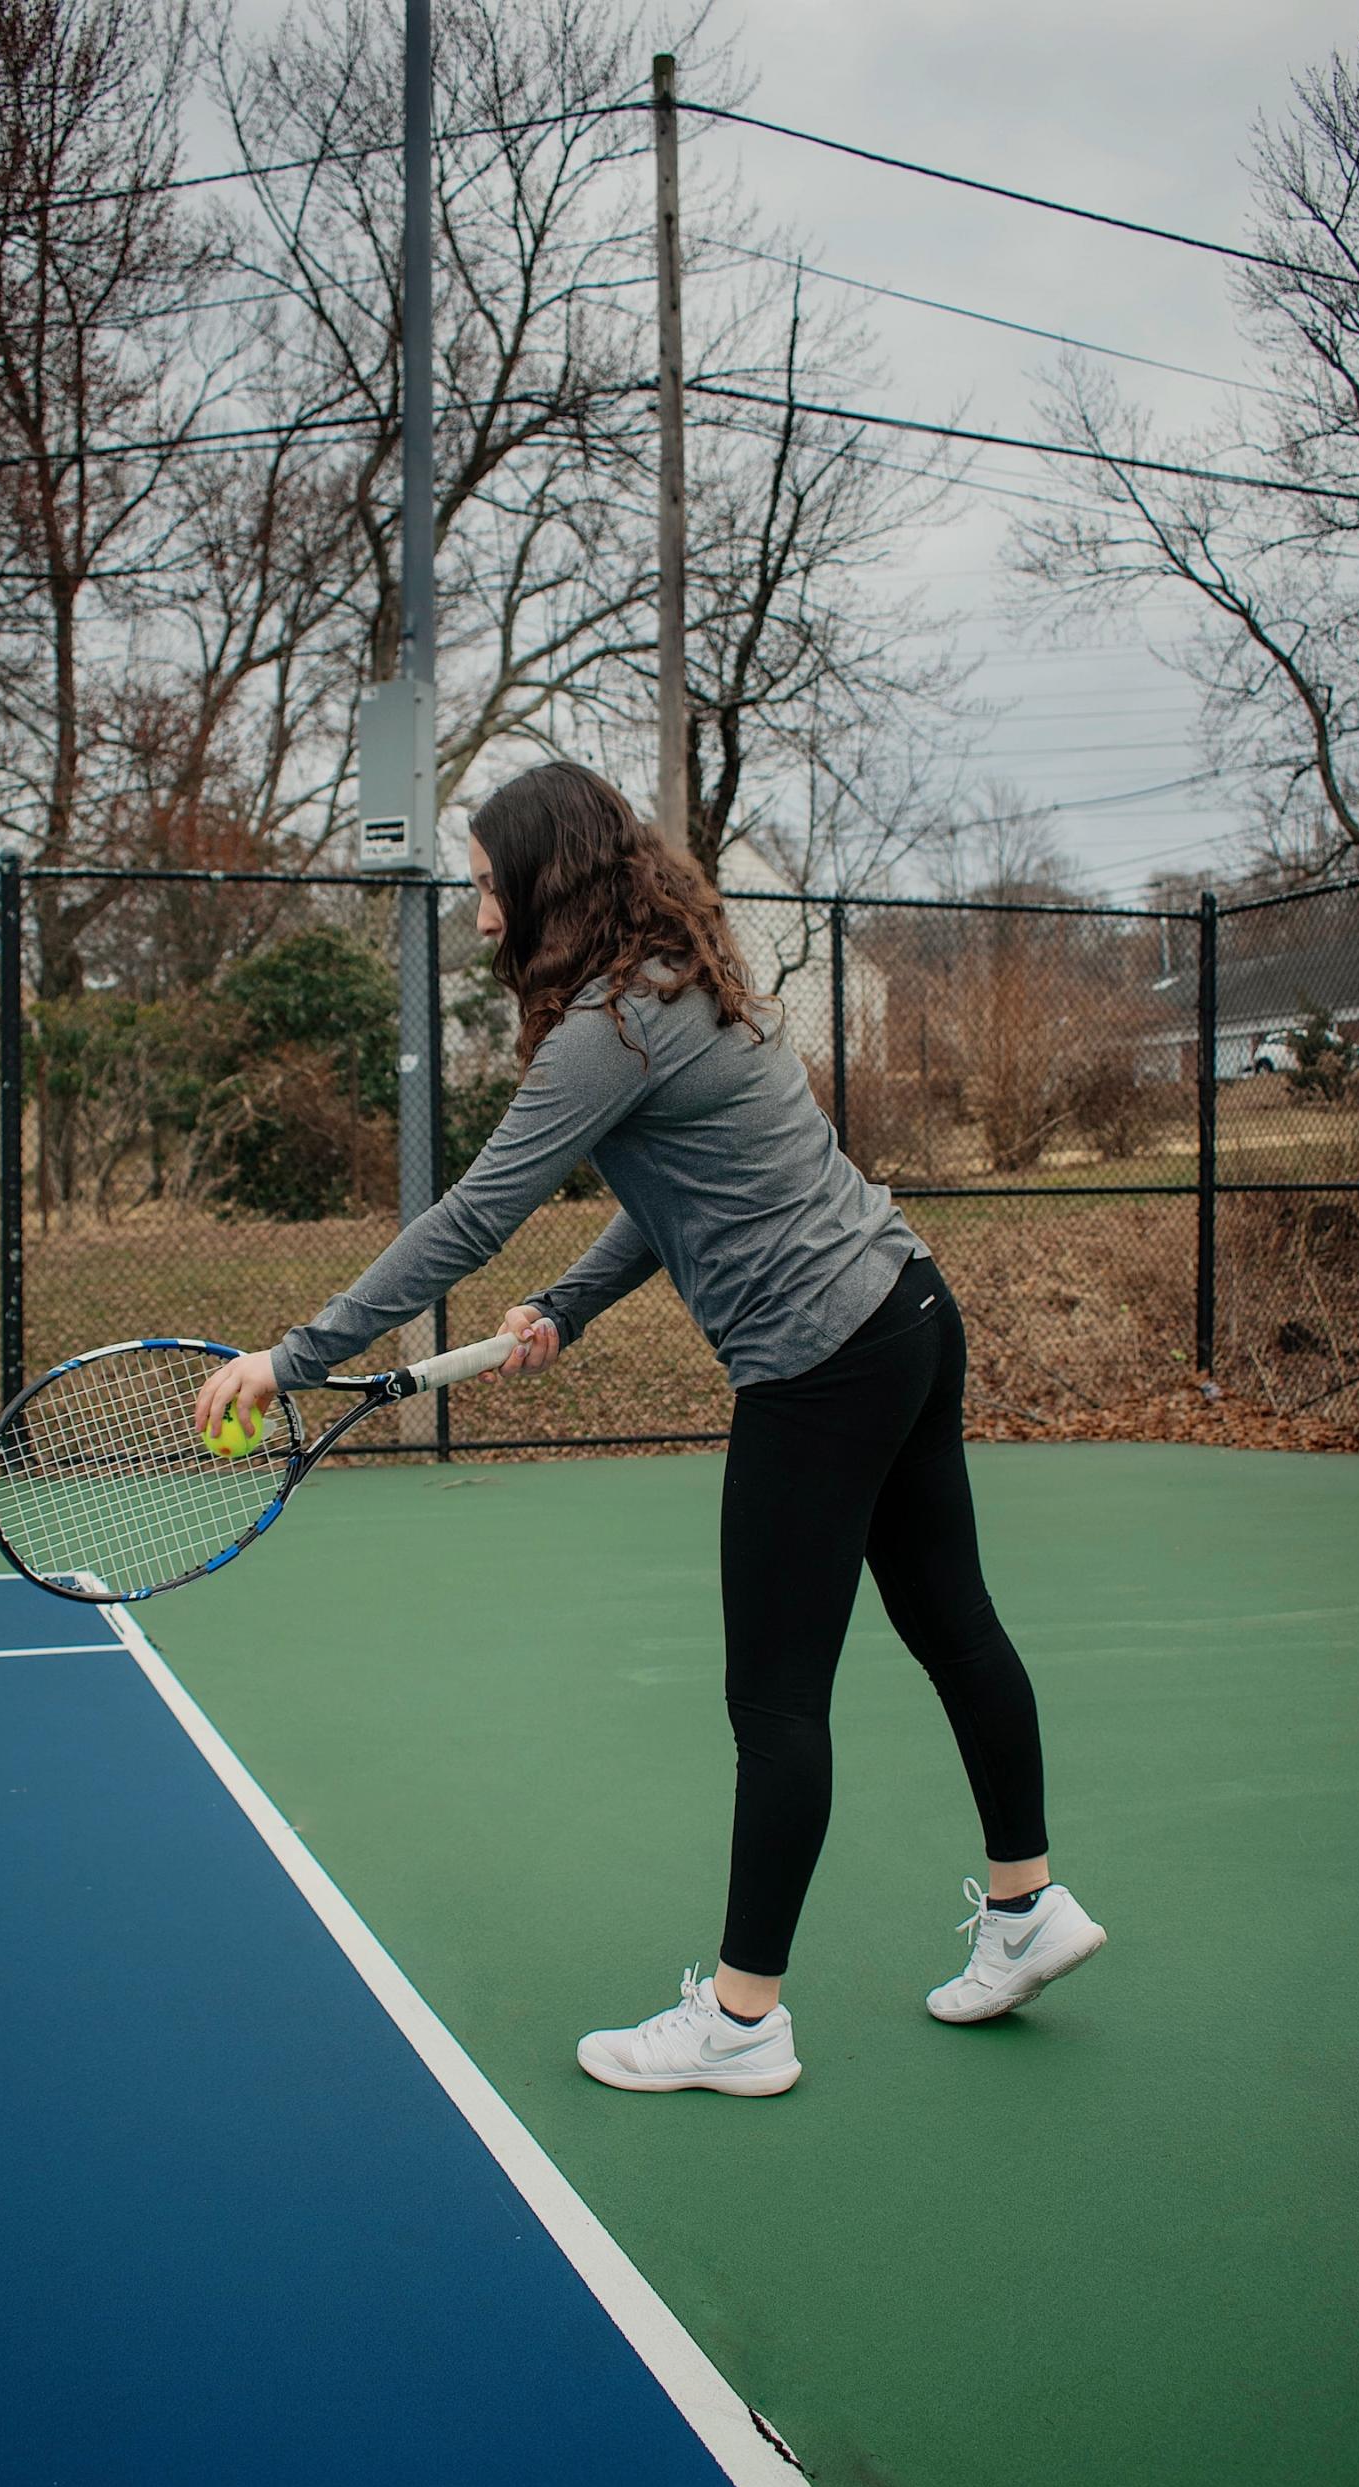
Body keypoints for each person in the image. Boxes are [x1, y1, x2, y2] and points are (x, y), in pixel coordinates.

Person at [198, 761, 1106, 2094]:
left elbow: (472, 1215)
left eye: (490, 876)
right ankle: (1028, 1910)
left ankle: (743, 2026)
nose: (477, 899)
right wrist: (570, 1302)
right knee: (951, 1621)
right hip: (907, 1310)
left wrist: (295, 1355)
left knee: (779, 1699)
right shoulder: (687, 980)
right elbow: (668, 1190)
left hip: (823, 1362)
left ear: (542, 881)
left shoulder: (607, 1030)